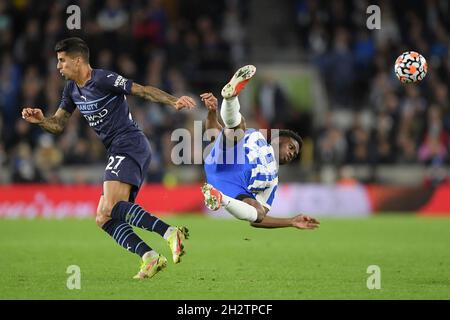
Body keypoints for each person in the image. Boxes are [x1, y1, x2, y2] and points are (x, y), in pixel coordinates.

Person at [21, 37, 196, 279]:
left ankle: (169, 233)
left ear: (78, 60)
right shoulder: (71, 89)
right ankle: (150, 257)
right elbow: (59, 124)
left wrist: (173, 100)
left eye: (62, 61)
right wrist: (41, 120)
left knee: (112, 207)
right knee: (103, 217)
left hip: (130, 142)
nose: (58, 67)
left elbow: (142, 90)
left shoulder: (103, 79)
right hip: (117, 149)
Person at [200, 65, 319, 229]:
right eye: (291, 147)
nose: (292, 154)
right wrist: (212, 113)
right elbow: (214, 135)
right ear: (279, 139)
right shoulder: (255, 136)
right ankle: (230, 97)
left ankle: (218, 198)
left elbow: (258, 219)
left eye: (295, 153)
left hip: (232, 188)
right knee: (239, 127)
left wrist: (290, 221)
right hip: (224, 161)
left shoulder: (273, 179)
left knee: (258, 210)